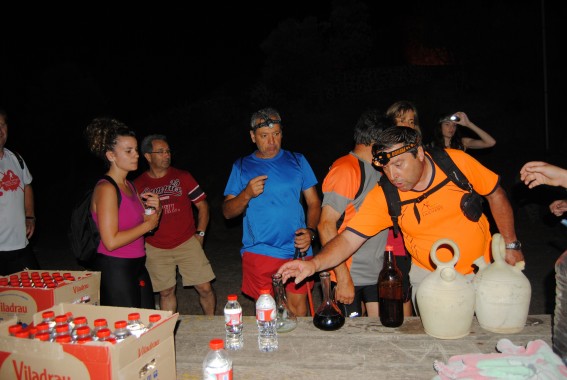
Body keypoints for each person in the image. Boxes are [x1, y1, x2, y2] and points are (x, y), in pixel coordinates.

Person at [278, 126, 524, 311]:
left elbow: (495, 194)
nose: (392, 175)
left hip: (481, 267)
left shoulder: (455, 163)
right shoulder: (386, 195)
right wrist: (314, 264)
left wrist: (511, 244)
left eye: (398, 164)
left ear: (418, 152)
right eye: (385, 168)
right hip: (430, 277)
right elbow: (348, 239)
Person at [222, 107, 321, 317]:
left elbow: (314, 203)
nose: (272, 141)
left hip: (296, 248)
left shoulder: (297, 160)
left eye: (276, 134)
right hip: (260, 250)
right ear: (252, 137)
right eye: (264, 136)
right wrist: (246, 194)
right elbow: (228, 212)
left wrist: (311, 232)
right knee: (269, 312)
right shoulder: (241, 166)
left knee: (298, 311)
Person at [318, 109, 390, 318]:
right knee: (350, 341)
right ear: (375, 140)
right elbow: (325, 225)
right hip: (349, 274)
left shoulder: (378, 169)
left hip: (375, 273)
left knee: (380, 334)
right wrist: (343, 277)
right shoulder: (346, 169)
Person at [134, 134, 216, 315]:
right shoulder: (138, 185)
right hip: (156, 246)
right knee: (166, 291)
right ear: (148, 156)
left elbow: (203, 206)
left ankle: (212, 323)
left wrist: (200, 234)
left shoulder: (182, 177)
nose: (167, 155)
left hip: (187, 241)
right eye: (161, 152)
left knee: (204, 287)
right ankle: (168, 332)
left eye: (168, 151)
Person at [85, 117, 160, 308]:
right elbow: (111, 241)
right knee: (129, 329)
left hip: (137, 263)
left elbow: (145, 226)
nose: (136, 155)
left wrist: (154, 211)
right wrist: (147, 225)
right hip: (116, 267)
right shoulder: (106, 189)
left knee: (149, 322)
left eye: (136, 150)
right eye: (129, 151)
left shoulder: (130, 186)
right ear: (111, 156)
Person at [0, 108, 39, 276]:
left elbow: (27, 185)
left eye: (2, 125)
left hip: (20, 245)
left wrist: (30, 216)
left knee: (35, 294)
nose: (0, 131)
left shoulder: (16, 158)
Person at [429, 112, 496, 151]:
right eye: (447, 124)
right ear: (439, 127)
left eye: (454, 125)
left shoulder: (462, 143)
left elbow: (491, 142)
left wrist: (469, 124)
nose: (451, 128)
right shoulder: (430, 147)